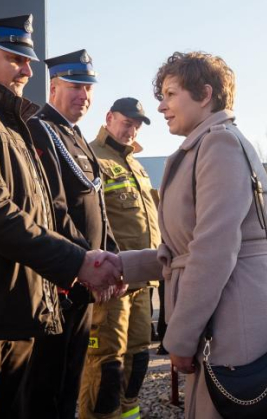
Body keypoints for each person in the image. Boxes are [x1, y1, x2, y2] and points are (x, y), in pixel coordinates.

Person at [0, 15, 121, 418]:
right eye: (16, 58)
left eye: (28, 60)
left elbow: (40, 209)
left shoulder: (7, 119)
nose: (27, 69)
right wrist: (77, 262)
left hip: (24, 303)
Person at [114, 51, 267, 419]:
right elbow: (182, 251)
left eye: (170, 94)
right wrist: (120, 266)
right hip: (226, 320)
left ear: (205, 94)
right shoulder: (203, 146)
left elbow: (213, 251)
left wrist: (181, 338)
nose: (160, 107)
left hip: (239, 327)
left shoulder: (219, 145)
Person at [28, 50, 119, 419]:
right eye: (75, 86)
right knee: (48, 386)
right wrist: (89, 260)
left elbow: (97, 205)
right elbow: (54, 209)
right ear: (53, 87)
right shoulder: (40, 129)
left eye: (88, 88)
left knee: (72, 378)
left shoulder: (77, 137)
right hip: (63, 279)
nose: (84, 95)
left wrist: (112, 255)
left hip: (86, 279)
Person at [80, 98, 161, 419]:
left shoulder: (137, 164)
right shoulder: (92, 157)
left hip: (143, 279)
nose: (132, 130)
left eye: (137, 126)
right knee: (107, 364)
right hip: (113, 283)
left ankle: (129, 415)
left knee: (138, 358)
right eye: (127, 123)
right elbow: (88, 220)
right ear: (109, 118)